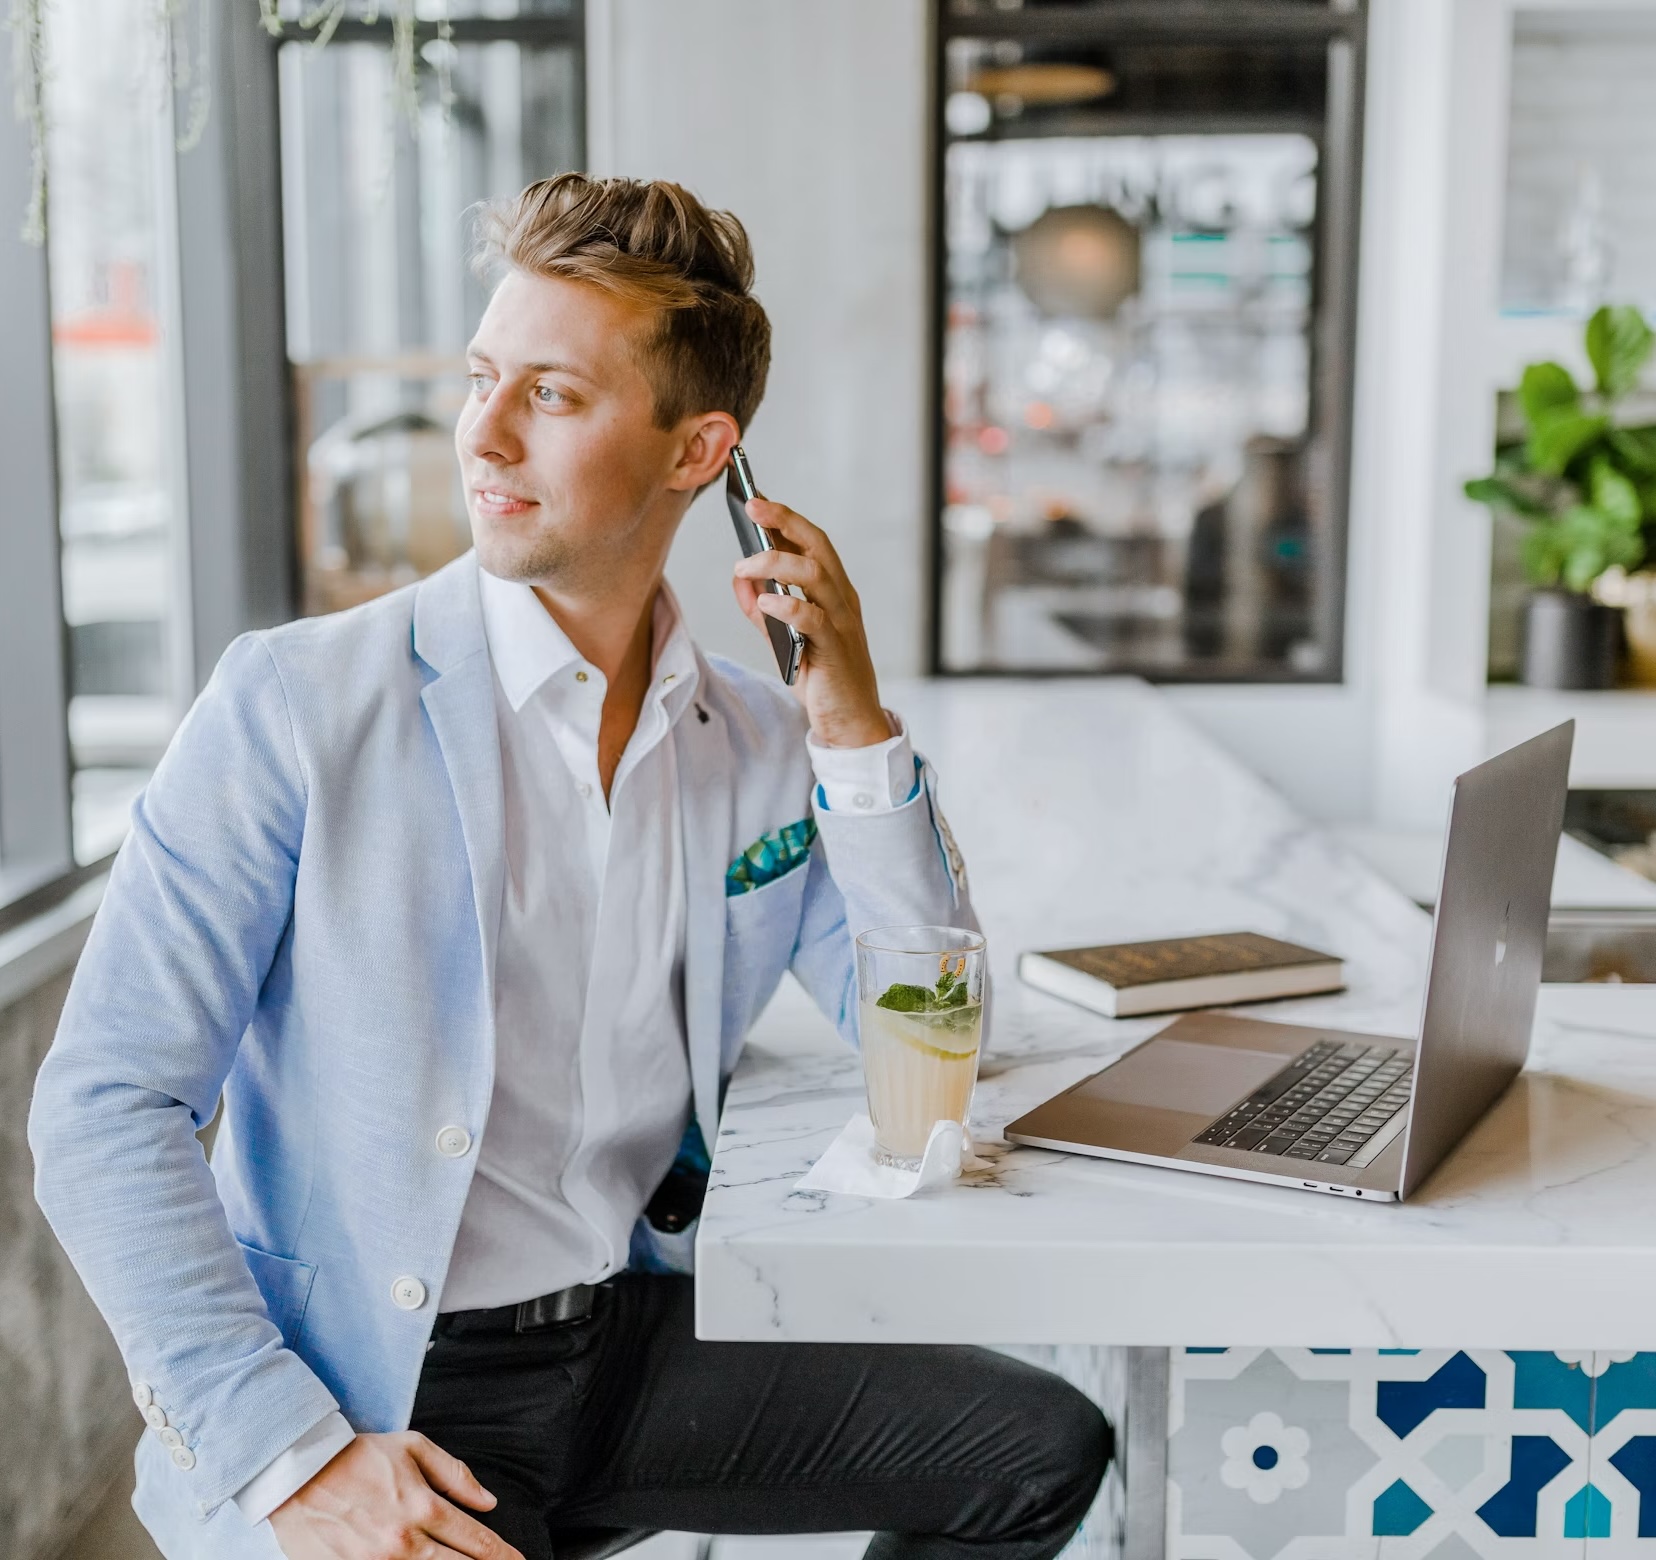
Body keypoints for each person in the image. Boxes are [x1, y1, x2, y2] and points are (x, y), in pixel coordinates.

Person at [30, 173, 1110, 1560]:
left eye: (550, 394)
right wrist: (289, 1453)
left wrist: (850, 724)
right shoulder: (295, 706)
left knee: (1038, 1455)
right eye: (483, 376)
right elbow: (105, 1109)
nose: (478, 432)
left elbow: (933, 1042)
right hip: (386, 1396)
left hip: (627, 1342)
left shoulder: (760, 741)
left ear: (696, 451)